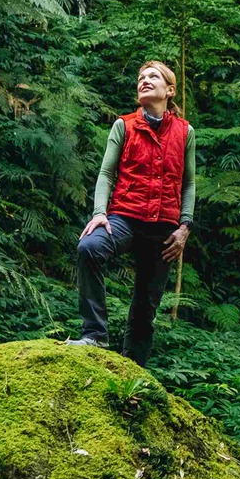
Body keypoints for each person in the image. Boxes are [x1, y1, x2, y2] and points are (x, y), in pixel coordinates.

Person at [72, 60, 195, 365]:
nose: (144, 80)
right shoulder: (123, 126)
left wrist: (185, 226)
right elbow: (106, 173)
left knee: (145, 309)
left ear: (170, 90)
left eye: (153, 76)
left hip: (164, 229)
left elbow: (188, 182)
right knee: (89, 248)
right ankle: (95, 336)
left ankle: (133, 373)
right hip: (124, 218)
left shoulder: (185, 132)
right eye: (141, 77)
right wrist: (99, 212)